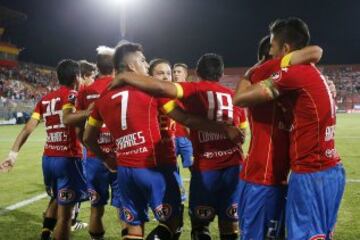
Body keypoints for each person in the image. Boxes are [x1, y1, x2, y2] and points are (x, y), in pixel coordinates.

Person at [85, 43, 243, 240]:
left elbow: (87, 138)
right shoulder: (153, 92)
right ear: (132, 66)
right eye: (142, 60)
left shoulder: (104, 98)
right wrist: (224, 129)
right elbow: (186, 119)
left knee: (133, 231)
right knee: (173, 224)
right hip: (155, 167)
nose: (145, 64)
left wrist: (106, 159)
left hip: (125, 171)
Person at [233, 17, 346, 240]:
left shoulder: (293, 75)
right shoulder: (314, 74)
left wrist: (250, 73)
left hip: (308, 174)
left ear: (285, 49)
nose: (272, 55)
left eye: (273, 48)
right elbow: (316, 52)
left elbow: (241, 98)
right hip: (329, 169)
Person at [0, 59, 90, 240]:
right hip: (68, 159)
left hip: (48, 159)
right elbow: (69, 119)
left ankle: (45, 234)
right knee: (65, 217)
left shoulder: (45, 99)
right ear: (76, 77)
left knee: (56, 198)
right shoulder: (73, 95)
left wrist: (12, 155)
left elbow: (28, 128)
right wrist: (91, 111)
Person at [64, 46, 121, 240]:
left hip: (95, 157)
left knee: (96, 208)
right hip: (122, 155)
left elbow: (79, 129)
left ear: (97, 67)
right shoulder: (121, 87)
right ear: (116, 66)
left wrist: (90, 148)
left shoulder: (85, 91)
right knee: (126, 208)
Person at [172, 63, 194, 169]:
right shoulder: (169, 90)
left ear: (185, 74)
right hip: (171, 137)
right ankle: (177, 186)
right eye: (174, 72)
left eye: (179, 72)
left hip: (187, 137)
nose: (176, 74)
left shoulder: (191, 90)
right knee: (171, 168)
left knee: (193, 167)